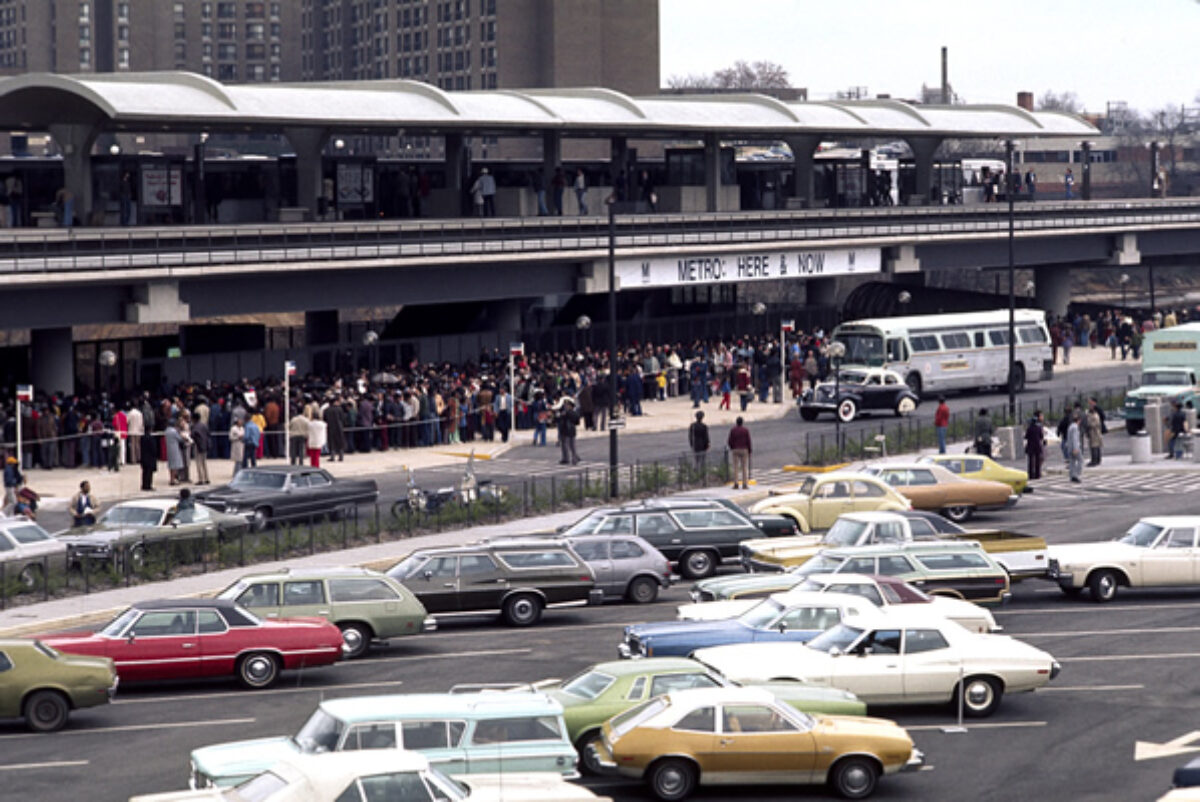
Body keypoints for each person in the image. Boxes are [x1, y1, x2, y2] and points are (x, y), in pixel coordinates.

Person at [727, 416, 752, 489]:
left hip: (735, 449)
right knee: (744, 467)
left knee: (735, 467)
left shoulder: (733, 430)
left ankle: (736, 483)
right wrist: (749, 450)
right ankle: (744, 484)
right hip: (744, 449)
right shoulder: (745, 430)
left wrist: (732, 447)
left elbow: (729, 440)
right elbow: (748, 441)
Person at [555, 397, 580, 465]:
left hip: (566, 430)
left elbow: (560, 420)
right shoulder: (574, 413)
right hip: (572, 431)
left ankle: (567, 458)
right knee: (572, 446)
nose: (566, 406)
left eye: (567, 405)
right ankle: (574, 458)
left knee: (566, 445)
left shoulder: (566, 413)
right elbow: (577, 422)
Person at [1024, 411, 1046, 480]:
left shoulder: (1029, 428)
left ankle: (1030, 474)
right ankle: (1037, 474)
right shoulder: (1038, 428)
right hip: (1037, 446)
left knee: (1030, 461)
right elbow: (1041, 437)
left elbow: (1026, 436)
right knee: (1037, 460)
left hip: (1030, 445)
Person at [191, 417, 211, 484]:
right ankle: (207, 478)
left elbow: (193, 435)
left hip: (198, 445)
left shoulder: (195, 427)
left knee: (199, 463)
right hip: (205, 445)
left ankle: (201, 479)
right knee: (204, 463)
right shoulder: (204, 425)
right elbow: (208, 434)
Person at [1066, 412, 1083, 482]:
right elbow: (1074, 438)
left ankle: (1072, 475)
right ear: (1079, 420)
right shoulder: (1075, 427)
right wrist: (1075, 448)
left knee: (1072, 462)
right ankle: (1076, 474)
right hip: (1075, 447)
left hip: (1070, 447)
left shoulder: (1070, 426)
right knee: (1080, 460)